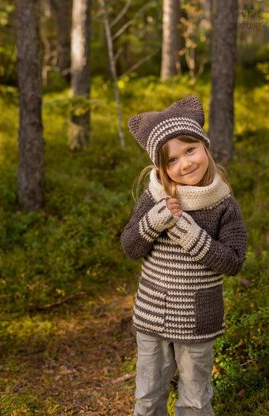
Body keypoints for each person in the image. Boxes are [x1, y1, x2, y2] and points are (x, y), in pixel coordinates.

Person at [120, 96, 247, 416]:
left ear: (204, 147)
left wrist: (191, 236)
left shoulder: (222, 203)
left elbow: (233, 261)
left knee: (195, 397)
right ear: (160, 168)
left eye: (190, 150)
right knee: (148, 395)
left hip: (198, 319)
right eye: (172, 160)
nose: (185, 163)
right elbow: (130, 247)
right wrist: (155, 221)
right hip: (153, 315)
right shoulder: (154, 197)